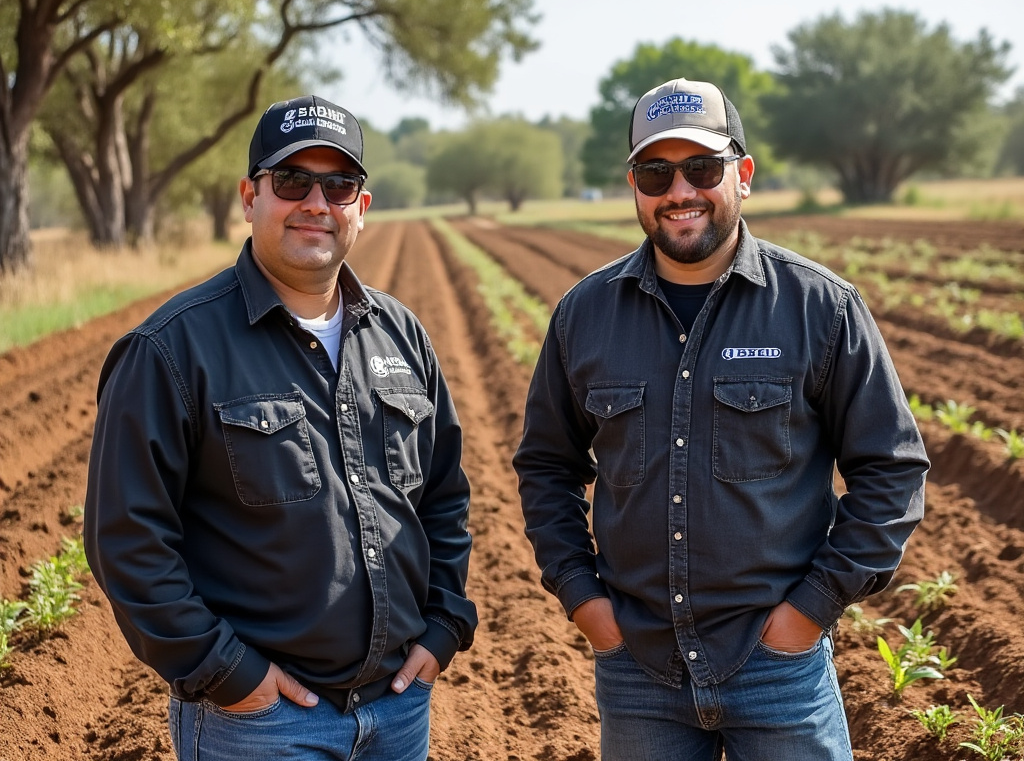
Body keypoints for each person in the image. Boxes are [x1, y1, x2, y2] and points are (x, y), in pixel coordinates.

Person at [513, 77, 929, 760]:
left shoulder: (819, 308)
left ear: (743, 173)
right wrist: (585, 603)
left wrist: (808, 614)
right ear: (634, 185)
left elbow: (892, 470)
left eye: (701, 168)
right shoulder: (583, 315)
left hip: (778, 671)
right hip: (638, 671)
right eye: (656, 172)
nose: (680, 191)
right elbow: (546, 466)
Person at [84, 95, 477, 761]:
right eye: (292, 181)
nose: (316, 203)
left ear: (362, 206)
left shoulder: (401, 334)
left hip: (399, 711)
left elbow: (443, 498)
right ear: (249, 196)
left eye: (339, 184)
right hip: (260, 726)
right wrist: (229, 676)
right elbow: (128, 540)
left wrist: (443, 626)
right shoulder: (173, 348)